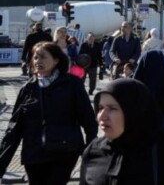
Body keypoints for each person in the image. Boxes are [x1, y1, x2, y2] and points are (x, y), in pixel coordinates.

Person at [0, 42, 98, 184]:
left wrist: (90, 154)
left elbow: (88, 120)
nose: (38, 61)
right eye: (35, 58)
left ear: (56, 60)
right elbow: (14, 129)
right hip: (34, 154)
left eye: (43, 57)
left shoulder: (72, 84)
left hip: (64, 152)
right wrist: (2, 163)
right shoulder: (28, 89)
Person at [79, 78, 164, 184]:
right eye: (100, 108)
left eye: (113, 108)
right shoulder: (93, 150)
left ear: (134, 111)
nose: (102, 116)